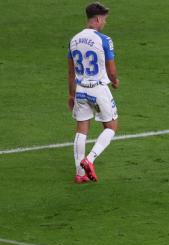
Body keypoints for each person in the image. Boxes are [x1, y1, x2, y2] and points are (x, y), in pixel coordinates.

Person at [67, 2, 120, 183]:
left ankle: (79, 174)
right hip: (98, 89)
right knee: (111, 127)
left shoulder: (73, 40)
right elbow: (111, 71)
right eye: (104, 19)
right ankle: (89, 160)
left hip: (81, 89)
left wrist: (71, 95)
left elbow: (70, 72)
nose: (104, 23)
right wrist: (115, 81)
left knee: (81, 129)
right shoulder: (104, 40)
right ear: (98, 19)